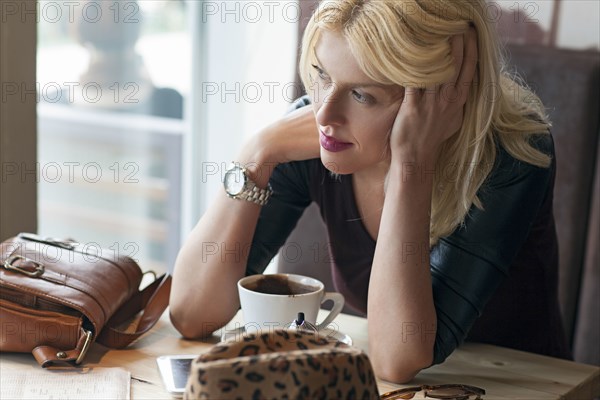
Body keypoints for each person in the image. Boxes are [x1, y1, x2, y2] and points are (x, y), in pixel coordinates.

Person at [170, 0, 570, 383]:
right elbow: (192, 313)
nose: (324, 114)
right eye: (322, 74)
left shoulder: (511, 157)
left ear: (436, 97)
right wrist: (256, 155)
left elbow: (398, 358)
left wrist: (411, 162)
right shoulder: (319, 135)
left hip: (523, 386)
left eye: (363, 95)